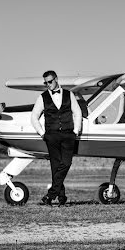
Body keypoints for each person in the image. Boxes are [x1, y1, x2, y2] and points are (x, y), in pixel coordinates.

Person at [30, 70, 82, 206]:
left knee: (66, 163)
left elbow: (77, 113)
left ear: (56, 79)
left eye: (50, 81)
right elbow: (34, 117)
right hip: (51, 136)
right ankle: (61, 196)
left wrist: (76, 131)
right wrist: (42, 133)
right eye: (45, 82)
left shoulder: (69, 94)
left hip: (68, 134)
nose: (48, 85)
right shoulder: (42, 97)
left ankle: (51, 194)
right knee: (55, 166)